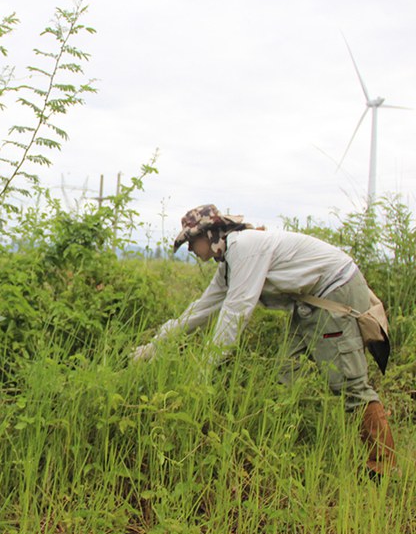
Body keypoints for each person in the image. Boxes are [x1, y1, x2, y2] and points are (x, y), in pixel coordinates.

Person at [133, 204, 396, 479]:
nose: (190, 249)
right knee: (284, 372)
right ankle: (285, 452)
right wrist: (153, 347)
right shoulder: (230, 262)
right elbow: (200, 309)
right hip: (311, 300)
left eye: (191, 241)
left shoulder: (246, 247)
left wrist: (204, 369)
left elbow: (236, 312)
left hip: (335, 291)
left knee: (347, 381)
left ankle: (384, 466)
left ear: (209, 234)